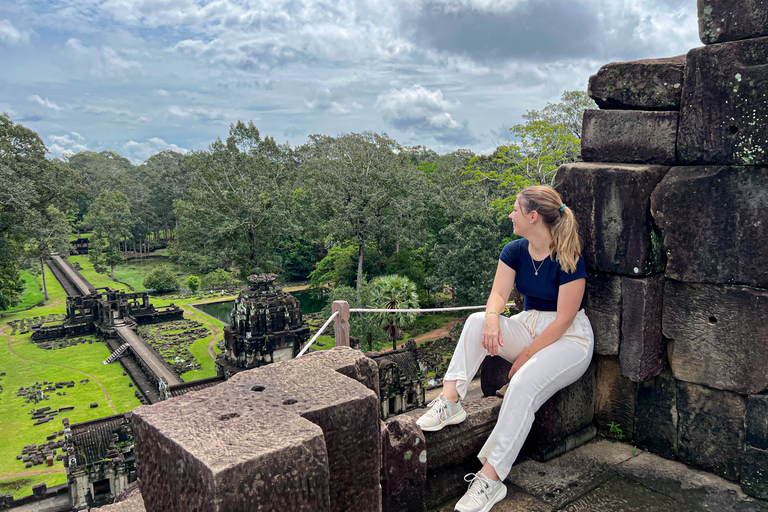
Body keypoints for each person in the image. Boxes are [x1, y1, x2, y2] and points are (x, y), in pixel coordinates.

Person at [416, 186, 594, 512]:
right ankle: (451, 400)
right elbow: (498, 293)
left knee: (523, 384)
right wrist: (492, 317)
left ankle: (491, 479)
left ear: (533, 216)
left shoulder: (569, 256)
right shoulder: (514, 250)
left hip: (569, 339)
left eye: (515, 209)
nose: (510, 215)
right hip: (528, 324)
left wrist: (525, 358)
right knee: (473, 323)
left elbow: (564, 319)